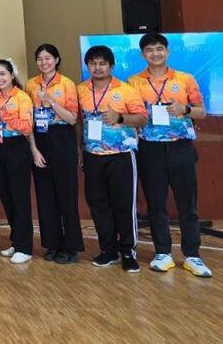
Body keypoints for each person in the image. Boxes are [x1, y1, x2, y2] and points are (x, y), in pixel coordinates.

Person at [128, 33, 211, 278]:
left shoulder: (185, 79)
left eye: (159, 49)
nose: (155, 53)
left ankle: (192, 255)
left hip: (180, 148)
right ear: (143, 54)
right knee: (156, 204)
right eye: (149, 50)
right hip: (149, 149)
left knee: (188, 204)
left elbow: (202, 112)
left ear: (168, 51)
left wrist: (184, 109)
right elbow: (132, 114)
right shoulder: (134, 82)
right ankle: (162, 253)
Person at [78, 45, 147, 273]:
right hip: (92, 155)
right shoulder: (81, 90)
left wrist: (120, 117)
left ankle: (128, 252)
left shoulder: (126, 90)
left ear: (111, 66)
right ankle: (108, 250)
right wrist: (80, 151)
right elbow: (80, 122)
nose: (97, 68)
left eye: (102, 63)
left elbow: (142, 119)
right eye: (93, 63)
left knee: (124, 205)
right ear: (88, 66)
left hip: (121, 155)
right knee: (98, 205)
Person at [25, 44, 84, 264]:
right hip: (39, 139)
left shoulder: (66, 84)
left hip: (62, 139)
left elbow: (72, 118)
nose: (44, 62)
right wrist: (33, 149)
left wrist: (51, 101)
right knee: (45, 195)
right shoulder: (31, 84)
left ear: (57, 60)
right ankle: (52, 243)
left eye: (48, 58)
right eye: (40, 59)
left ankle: (71, 246)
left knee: (66, 195)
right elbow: (28, 119)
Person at [0, 59, 35, 264]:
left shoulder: (22, 97)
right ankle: (16, 241)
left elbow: (27, 126)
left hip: (17, 148)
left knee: (19, 198)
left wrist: (7, 117)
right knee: (6, 197)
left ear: (12, 75)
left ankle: (25, 247)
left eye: (2, 74)